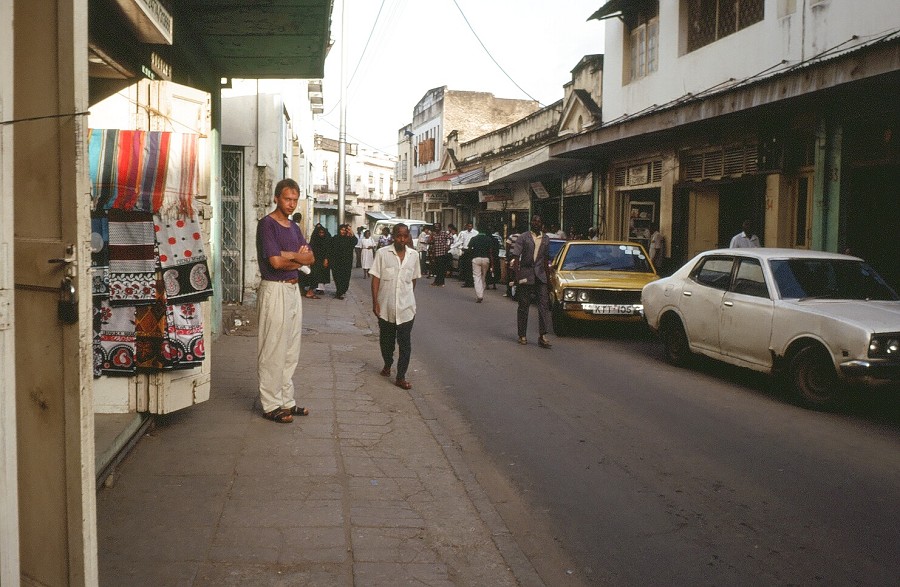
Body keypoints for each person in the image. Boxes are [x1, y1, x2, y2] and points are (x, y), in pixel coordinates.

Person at [255, 178, 314, 423]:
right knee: (272, 349)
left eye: (294, 200)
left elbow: (310, 258)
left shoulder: (294, 228)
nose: (291, 204)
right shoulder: (267, 225)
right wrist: (296, 258)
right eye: (287, 199)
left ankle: (286, 401)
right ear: (277, 198)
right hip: (274, 290)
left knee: (291, 349)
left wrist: (290, 256)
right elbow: (275, 263)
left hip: (292, 290)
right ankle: (271, 404)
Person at [370, 223, 422, 390]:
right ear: (393, 236)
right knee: (387, 342)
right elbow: (376, 279)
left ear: (408, 237)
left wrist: (406, 297)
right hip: (386, 308)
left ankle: (401, 376)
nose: (402, 239)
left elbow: (413, 279)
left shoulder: (414, 256)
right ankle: (387, 363)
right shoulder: (382, 254)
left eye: (405, 236)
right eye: (399, 236)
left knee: (405, 344)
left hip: (406, 309)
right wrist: (375, 302)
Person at [509, 215, 552, 349]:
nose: (536, 223)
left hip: (541, 276)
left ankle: (543, 335)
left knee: (543, 306)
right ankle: (522, 335)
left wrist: (548, 278)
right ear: (530, 222)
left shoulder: (545, 239)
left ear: (542, 224)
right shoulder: (523, 237)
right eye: (534, 221)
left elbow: (545, 259)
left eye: (539, 221)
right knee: (524, 306)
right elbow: (516, 258)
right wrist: (516, 277)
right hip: (526, 275)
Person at [468, 228, 497, 303]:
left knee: (477, 277)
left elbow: (469, 249)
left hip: (476, 259)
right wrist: (492, 264)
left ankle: (479, 295)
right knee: (483, 276)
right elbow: (491, 253)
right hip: (486, 259)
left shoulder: (474, 238)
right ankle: (481, 292)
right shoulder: (489, 239)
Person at [331, 223, 357, 299]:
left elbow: (355, 241)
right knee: (337, 277)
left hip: (346, 262)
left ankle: (342, 291)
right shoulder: (335, 239)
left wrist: (351, 232)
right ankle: (339, 292)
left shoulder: (349, 239)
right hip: (336, 262)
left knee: (345, 278)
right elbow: (330, 250)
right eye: (341, 230)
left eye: (345, 230)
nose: (343, 231)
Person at [309, 224, 332, 295]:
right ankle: (314, 287)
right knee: (315, 273)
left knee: (323, 273)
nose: (321, 234)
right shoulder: (314, 239)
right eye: (320, 233)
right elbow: (311, 248)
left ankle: (321, 288)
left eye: (322, 233)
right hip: (316, 259)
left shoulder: (327, 239)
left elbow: (329, 249)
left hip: (324, 259)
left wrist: (326, 259)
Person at [456, 222, 478, 288]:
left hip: (472, 251)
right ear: (466, 226)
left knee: (472, 267)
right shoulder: (463, 233)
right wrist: (461, 248)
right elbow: (460, 241)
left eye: (471, 226)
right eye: (468, 226)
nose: (469, 228)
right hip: (465, 251)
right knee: (465, 267)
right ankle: (467, 282)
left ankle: (472, 282)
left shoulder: (476, 233)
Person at [430, 222, 452, 286]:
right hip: (436, 253)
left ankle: (441, 282)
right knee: (437, 268)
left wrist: (448, 246)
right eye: (435, 227)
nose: (436, 228)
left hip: (442, 253)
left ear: (440, 227)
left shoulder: (443, 233)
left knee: (441, 268)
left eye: (438, 227)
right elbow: (431, 242)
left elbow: (451, 239)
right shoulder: (434, 235)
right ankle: (436, 281)